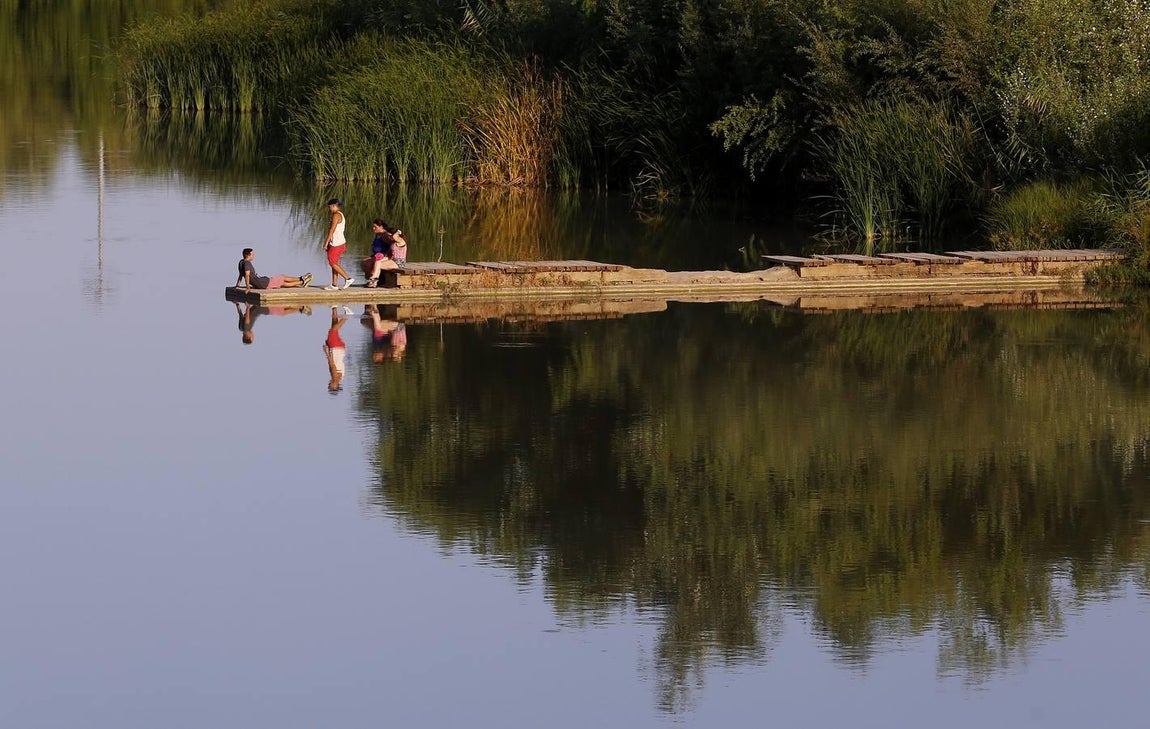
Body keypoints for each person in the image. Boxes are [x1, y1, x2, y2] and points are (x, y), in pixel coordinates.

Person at [234, 301, 311, 345]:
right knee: (282, 312)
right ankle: (301, 309)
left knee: (282, 310)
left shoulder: (247, 328)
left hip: (262, 309)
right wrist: (237, 305)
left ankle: (301, 307)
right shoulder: (240, 328)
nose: (253, 335)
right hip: (258, 309)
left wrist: (247, 307)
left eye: (252, 337)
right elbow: (240, 314)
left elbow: (247, 317)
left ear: (248, 337)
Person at [236, 248, 312, 292]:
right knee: (282, 281)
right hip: (262, 283)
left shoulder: (241, 262)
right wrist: (248, 288)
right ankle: (302, 281)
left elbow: (240, 275)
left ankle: (301, 279)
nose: (254, 256)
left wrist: (237, 285)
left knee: (282, 279)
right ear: (248, 255)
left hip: (261, 282)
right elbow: (246, 276)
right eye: (252, 254)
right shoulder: (247, 263)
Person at [363, 219, 409, 288]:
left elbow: (394, 236)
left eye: (390, 236)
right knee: (377, 262)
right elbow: (390, 253)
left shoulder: (400, 241)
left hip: (398, 262)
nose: (389, 237)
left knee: (379, 264)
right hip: (392, 259)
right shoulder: (393, 242)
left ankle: (373, 279)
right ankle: (374, 280)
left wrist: (396, 232)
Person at [322, 198, 354, 290]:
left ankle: (348, 278)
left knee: (332, 262)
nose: (329, 209)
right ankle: (334, 284)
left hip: (337, 243)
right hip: (337, 243)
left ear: (333, 206)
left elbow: (332, 230)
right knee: (334, 263)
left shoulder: (336, 215)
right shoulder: (340, 215)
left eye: (330, 207)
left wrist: (326, 242)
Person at [323, 306, 348, 392]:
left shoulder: (341, 377)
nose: (329, 385)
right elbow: (332, 363)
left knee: (334, 327)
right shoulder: (335, 377)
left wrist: (329, 348)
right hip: (336, 348)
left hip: (339, 349)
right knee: (332, 331)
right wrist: (326, 352)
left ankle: (334, 308)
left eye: (329, 386)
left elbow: (334, 362)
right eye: (331, 387)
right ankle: (347, 316)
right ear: (336, 386)